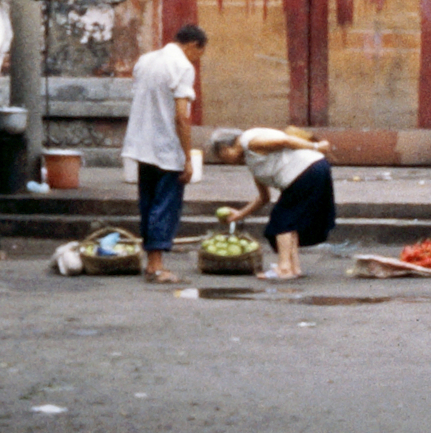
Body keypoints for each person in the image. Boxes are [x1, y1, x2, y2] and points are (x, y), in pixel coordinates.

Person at [121, 23, 206, 284]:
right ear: (193, 45)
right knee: (165, 205)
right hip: (166, 146)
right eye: (199, 54)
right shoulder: (182, 67)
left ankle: (151, 262)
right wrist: (187, 157)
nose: (197, 59)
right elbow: (182, 117)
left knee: (148, 203)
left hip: (141, 143)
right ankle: (156, 266)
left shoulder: (145, 61)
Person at [210, 126, 337, 282]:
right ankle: (293, 268)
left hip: (305, 172)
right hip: (310, 172)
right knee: (289, 221)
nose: (226, 162)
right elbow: (264, 197)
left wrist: (316, 147)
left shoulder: (250, 142)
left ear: (224, 149)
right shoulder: (251, 158)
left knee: (282, 220)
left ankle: (284, 269)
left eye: (222, 158)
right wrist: (239, 214)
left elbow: (284, 140)